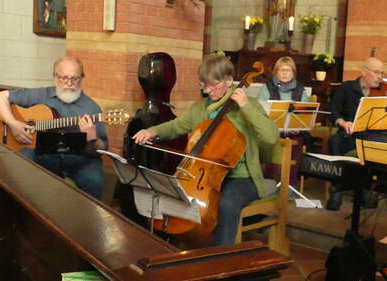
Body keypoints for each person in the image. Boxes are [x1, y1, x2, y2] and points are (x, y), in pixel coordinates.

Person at [132, 55, 279, 246]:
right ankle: (178, 246)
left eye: (213, 84)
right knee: (174, 194)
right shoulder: (200, 108)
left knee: (226, 204)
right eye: (204, 84)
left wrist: (246, 106)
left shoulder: (246, 106)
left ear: (228, 81)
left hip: (242, 177)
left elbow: (272, 136)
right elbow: (176, 126)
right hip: (204, 176)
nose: (208, 90)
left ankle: (221, 260)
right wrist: (152, 131)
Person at [0, 56, 109, 199]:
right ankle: (25, 213)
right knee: (20, 160)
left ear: (82, 78)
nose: (69, 83)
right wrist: (12, 123)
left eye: (74, 79)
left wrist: (93, 139)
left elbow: (102, 150)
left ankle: (86, 218)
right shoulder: (41, 95)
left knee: (94, 180)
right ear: (55, 77)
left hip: (78, 159)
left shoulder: (91, 109)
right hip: (43, 156)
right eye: (64, 78)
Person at [325, 57, 387, 210]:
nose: (379, 77)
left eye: (381, 73)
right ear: (364, 72)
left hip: (372, 134)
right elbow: (332, 109)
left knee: (379, 144)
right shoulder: (347, 88)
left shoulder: (383, 91)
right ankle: (337, 189)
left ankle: (368, 189)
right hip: (350, 133)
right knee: (334, 141)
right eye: (376, 72)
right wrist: (342, 122)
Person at [259, 56, 308, 197]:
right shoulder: (267, 87)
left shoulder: (300, 89)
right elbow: (261, 111)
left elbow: (304, 114)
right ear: (275, 72)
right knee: (270, 140)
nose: (285, 73)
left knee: (298, 140)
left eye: (288, 70)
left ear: (293, 72)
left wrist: (298, 126)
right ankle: (270, 182)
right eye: (281, 70)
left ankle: (291, 185)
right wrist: (278, 128)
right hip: (273, 129)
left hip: (294, 130)